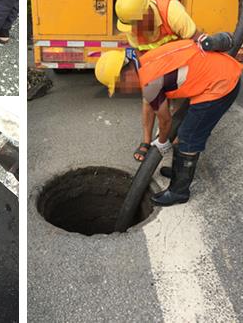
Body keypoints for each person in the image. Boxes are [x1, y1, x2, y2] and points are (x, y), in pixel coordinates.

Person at [95, 38, 242, 206]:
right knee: (185, 133)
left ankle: (179, 192)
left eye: (120, 85)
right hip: (221, 70)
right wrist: (151, 139)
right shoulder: (145, 62)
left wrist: (162, 142)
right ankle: (180, 172)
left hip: (221, 85)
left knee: (188, 136)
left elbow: (165, 121)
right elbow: (152, 104)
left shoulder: (149, 83)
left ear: (125, 74)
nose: (123, 90)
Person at [115, 0, 203, 162]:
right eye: (130, 25)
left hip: (180, 61)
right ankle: (146, 141)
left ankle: (173, 135)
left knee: (178, 101)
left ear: (147, 13)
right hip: (155, 64)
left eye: (136, 24)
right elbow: (140, 52)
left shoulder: (171, 11)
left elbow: (196, 40)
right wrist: (147, 78)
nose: (133, 30)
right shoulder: (131, 27)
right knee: (149, 98)